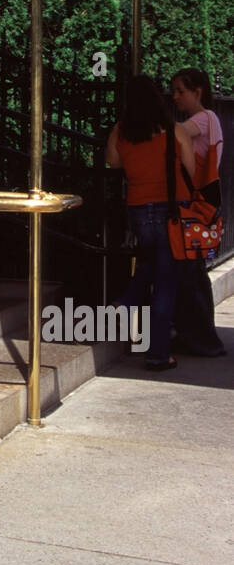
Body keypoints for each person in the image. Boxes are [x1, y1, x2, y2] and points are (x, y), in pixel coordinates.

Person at [106, 75, 195, 371]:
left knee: (152, 263)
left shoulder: (122, 130)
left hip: (139, 208)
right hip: (173, 208)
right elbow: (192, 171)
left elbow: (113, 162)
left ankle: (127, 300)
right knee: (166, 281)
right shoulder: (173, 130)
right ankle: (158, 353)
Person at [170, 67, 226, 357]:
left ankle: (202, 338)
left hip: (195, 203)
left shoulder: (203, 118)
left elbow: (175, 133)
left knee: (191, 272)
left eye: (181, 90)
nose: (175, 96)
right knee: (192, 272)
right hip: (204, 203)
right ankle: (196, 335)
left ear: (198, 92)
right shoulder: (210, 120)